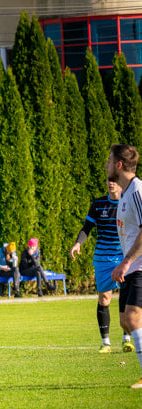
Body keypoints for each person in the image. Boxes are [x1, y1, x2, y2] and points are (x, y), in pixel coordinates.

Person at [70, 178, 133, 353]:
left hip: (124, 257)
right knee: (104, 299)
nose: (110, 183)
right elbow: (87, 227)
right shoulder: (98, 204)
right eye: (108, 180)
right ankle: (105, 343)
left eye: (114, 180)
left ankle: (126, 338)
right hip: (103, 259)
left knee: (126, 296)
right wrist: (78, 244)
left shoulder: (129, 202)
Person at [108, 144, 142, 389]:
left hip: (140, 266)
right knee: (125, 320)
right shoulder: (125, 193)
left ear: (119, 165)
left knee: (132, 317)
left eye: (109, 160)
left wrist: (126, 262)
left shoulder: (138, 190)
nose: (106, 165)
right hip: (131, 268)